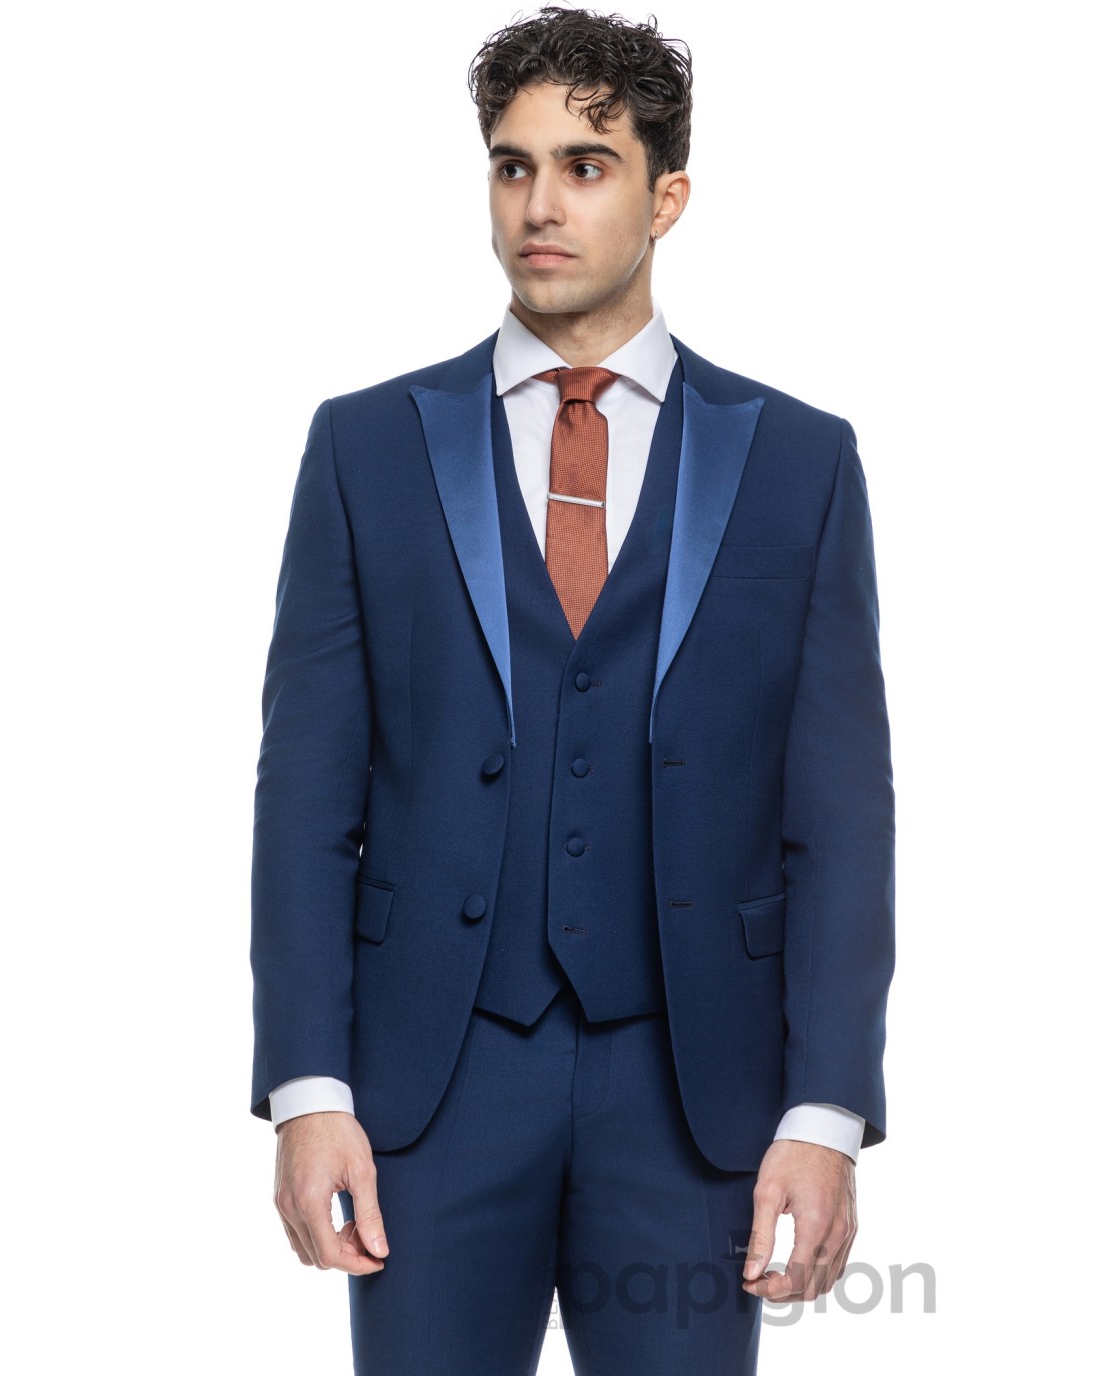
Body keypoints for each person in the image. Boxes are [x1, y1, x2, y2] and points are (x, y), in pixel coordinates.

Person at [249, 8, 895, 1373]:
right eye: (513, 165)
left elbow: (840, 817)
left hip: (694, 1093)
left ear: (667, 197)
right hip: (432, 1089)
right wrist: (308, 1087)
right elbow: (304, 797)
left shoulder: (802, 463)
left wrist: (826, 1112)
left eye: (586, 166)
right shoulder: (365, 448)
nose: (539, 204)